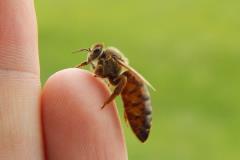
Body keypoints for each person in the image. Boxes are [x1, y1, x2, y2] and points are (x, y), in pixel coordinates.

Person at [0, 1, 127, 159]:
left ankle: (125, 109)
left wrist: (109, 102)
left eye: (94, 54)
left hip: (129, 91)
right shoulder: (103, 63)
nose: (91, 58)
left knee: (128, 84)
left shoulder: (113, 63)